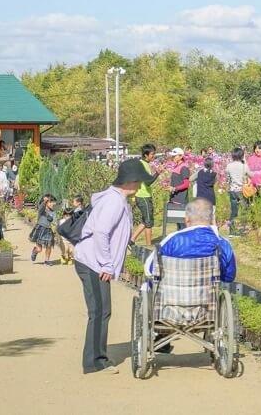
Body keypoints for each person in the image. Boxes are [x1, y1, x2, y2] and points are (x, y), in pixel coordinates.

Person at [74, 159, 142, 375]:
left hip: (93, 260)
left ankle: (96, 358)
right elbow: (102, 232)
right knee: (100, 311)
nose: (141, 185)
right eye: (139, 180)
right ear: (130, 182)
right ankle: (95, 362)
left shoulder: (114, 198)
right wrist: (106, 263)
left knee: (102, 310)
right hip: (93, 262)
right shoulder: (113, 201)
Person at [143, 197, 237, 353]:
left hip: (169, 308)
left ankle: (160, 335)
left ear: (186, 218)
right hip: (205, 311)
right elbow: (229, 276)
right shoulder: (222, 244)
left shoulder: (171, 241)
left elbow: (150, 270)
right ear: (211, 218)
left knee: (147, 286)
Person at [130, 144, 162, 246]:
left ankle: (132, 240)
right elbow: (148, 182)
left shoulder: (145, 164)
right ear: (145, 155)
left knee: (146, 220)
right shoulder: (142, 165)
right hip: (143, 196)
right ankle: (149, 246)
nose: (154, 156)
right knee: (149, 222)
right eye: (152, 154)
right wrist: (158, 173)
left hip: (145, 195)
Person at [225, 147, 252, 237]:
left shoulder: (229, 166)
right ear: (242, 156)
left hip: (232, 191)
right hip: (242, 191)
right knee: (244, 210)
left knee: (234, 211)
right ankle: (242, 229)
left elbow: (227, 179)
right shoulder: (244, 166)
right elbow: (251, 175)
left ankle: (232, 231)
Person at [167, 147, 190, 232]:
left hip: (181, 199)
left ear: (181, 156)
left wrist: (174, 188)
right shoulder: (177, 166)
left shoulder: (184, 168)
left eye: (174, 156)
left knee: (183, 225)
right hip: (175, 198)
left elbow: (186, 184)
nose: (173, 158)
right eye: (172, 156)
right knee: (178, 224)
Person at [30, 195, 58, 265]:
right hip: (40, 229)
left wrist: (55, 229)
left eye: (54, 203)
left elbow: (54, 221)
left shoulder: (53, 212)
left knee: (49, 246)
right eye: (51, 202)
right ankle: (35, 251)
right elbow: (40, 207)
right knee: (39, 249)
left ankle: (47, 260)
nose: (53, 204)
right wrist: (44, 201)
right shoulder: (42, 210)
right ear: (47, 203)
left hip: (48, 230)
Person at [194, 155, 217, 220]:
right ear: (212, 165)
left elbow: (190, 179)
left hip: (201, 197)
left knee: (200, 217)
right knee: (212, 217)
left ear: (204, 164)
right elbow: (214, 182)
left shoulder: (200, 172)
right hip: (211, 198)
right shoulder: (214, 174)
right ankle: (214, 229)